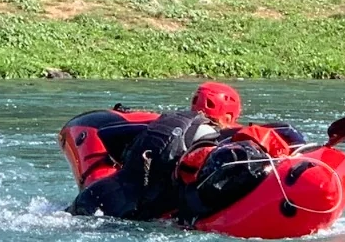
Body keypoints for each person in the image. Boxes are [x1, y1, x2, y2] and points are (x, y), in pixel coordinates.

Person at [67, 83, 247, 220]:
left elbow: (108, 134)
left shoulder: (167, 121)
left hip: (99, 193)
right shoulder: (212, 138)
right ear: (229, 117)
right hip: (128, 209)